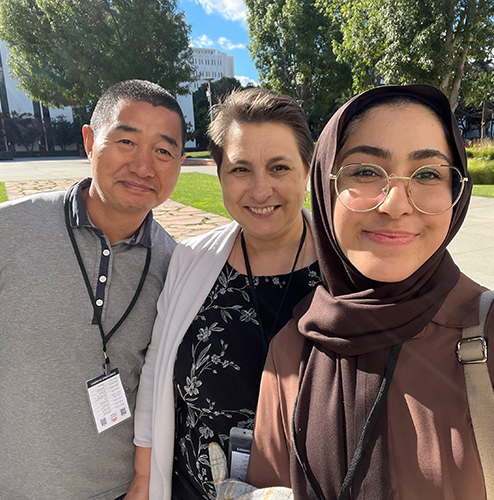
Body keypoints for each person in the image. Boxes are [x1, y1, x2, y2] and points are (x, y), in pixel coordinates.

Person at [246, 84, 494, 499]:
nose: (396, 204)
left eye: (427, 174)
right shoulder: (294, 349)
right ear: (326, 187)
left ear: (457, 194)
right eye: (366, 171)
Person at [0, 79, 186, 500]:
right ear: (90, 141)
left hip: (123, 491)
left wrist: (145, 484)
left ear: (180, 162)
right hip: (14, 490)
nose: (145, 166)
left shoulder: (175, 265)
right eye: (126, 141)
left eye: (163, 150)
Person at [128, 88, 321, 500]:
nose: (260, 190)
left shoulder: (346, 270)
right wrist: (143, 481)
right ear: (219, 174)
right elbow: (157, 370)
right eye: (240, 170)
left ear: (307, 170)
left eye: (279, 168)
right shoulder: (191, 260)